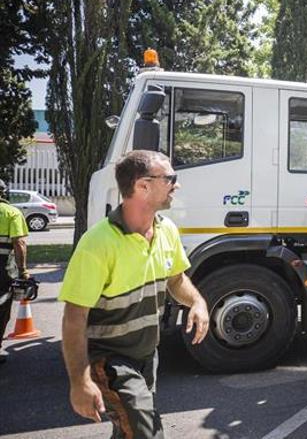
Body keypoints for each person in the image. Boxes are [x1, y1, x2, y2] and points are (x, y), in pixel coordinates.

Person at [60, 150, 209, 438]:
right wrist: (79, 382)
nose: (176, 185)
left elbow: (176, 280)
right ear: (142, 185)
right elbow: (74, 318)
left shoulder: (166, 231)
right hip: (109, 360)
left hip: (146, 356)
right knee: (147, 432)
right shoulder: (97, 243)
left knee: (128, 431)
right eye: (170, 178)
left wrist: (197, 302)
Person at [0, 178, 29, 365]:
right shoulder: (12, 212)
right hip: (2, 268)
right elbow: (19, 243)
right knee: (2, 308)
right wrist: (23, 270)